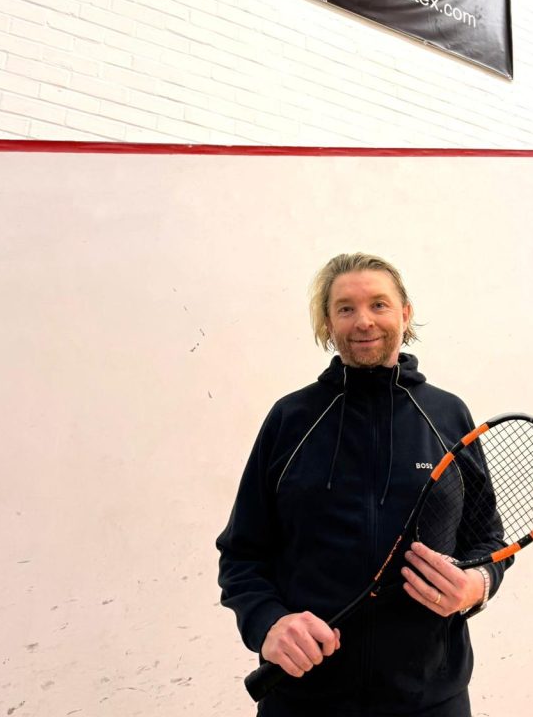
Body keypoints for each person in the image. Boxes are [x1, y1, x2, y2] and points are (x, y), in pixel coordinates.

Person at [216, 252, 512, 716]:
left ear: (405, 313)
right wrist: (268, 623)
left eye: (379, 304)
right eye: (346, 308)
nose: (364, 322)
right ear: (328, 323)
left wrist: (477, 585)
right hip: (303, 699)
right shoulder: (291, 420)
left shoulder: (447, 417)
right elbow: (242, 553)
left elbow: (488, 541)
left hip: (430, 699)